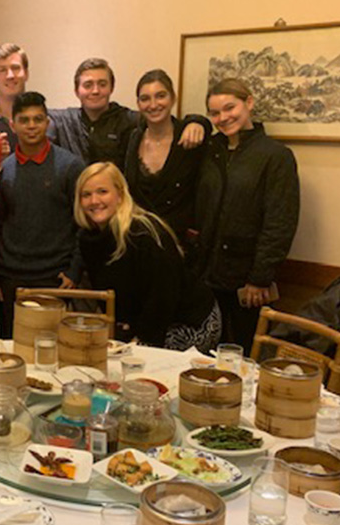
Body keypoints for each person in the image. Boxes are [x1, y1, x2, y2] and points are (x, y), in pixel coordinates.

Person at [195, 78, 300, 353]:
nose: (223, 117)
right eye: (215, 113)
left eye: (230, 108)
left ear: (249, 103)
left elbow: (280, 221)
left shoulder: (275, 156)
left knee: (244, 353)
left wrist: (260, 277)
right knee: (205, 352)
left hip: (246, 280)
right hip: (206, 274)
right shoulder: (209, 151)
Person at [75, 162, 221, 351]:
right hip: (143, 319)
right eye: (86, 195)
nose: (94, 200)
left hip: (188, 320)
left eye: (103, 192)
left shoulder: (143, 233)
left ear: (120, 195)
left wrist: (140, 341)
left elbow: (163, 295)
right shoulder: (89, 239)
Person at [0, 92, 84, 335]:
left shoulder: (70, 167)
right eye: (24, 120)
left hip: (56, 277)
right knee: (16, 349)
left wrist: (74, 270)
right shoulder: (3, 171)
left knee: (53, 351)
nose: (31, 126)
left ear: (48, 122)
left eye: (38, 119)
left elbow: (84, 225)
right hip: (12, 278)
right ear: (13, 124)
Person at [124, 69, 210, 245]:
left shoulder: (190, 138)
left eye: (160, 96)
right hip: (139, 241)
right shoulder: (132, 138)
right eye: (145, 98)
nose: (153, 104)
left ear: (173, 98)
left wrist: (199, 122)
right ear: (138, 104)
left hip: (180, 244)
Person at [48, 58, 140, 166]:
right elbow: (32, 112)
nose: (95, 91)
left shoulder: (129, 121)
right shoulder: (64, 122)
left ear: (111, 88)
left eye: (102, 84)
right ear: (76, 91)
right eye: (88, 85)